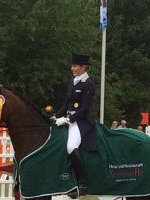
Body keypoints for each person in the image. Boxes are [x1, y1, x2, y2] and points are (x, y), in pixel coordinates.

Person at [55, 53, 98, 197]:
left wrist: (69, 119)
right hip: (69, 118)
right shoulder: (73, 82)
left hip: (80, 121)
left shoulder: (88, 84)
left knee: (71, 146)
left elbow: (84, 108)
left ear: (83, 67)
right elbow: (66, 104)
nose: (72, 68)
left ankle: (82, 183)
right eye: (72, 65)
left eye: (75, 66)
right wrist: (55, 116)